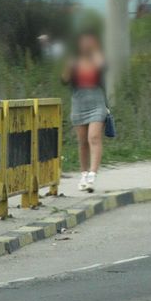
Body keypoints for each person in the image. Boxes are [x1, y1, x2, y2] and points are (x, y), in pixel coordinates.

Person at [61, 32, 107, 193]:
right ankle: (84, 174)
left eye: (90, 42)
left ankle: (93, 175)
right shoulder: (73, 61)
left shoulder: (97, 58)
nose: (86, 45)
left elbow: (103, 67)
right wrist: (68, 65)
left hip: (97, 102)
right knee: (82, 142)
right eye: (83, 42)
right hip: (79, 102)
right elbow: (64, 80)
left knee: (93, 137)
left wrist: (95, 50)